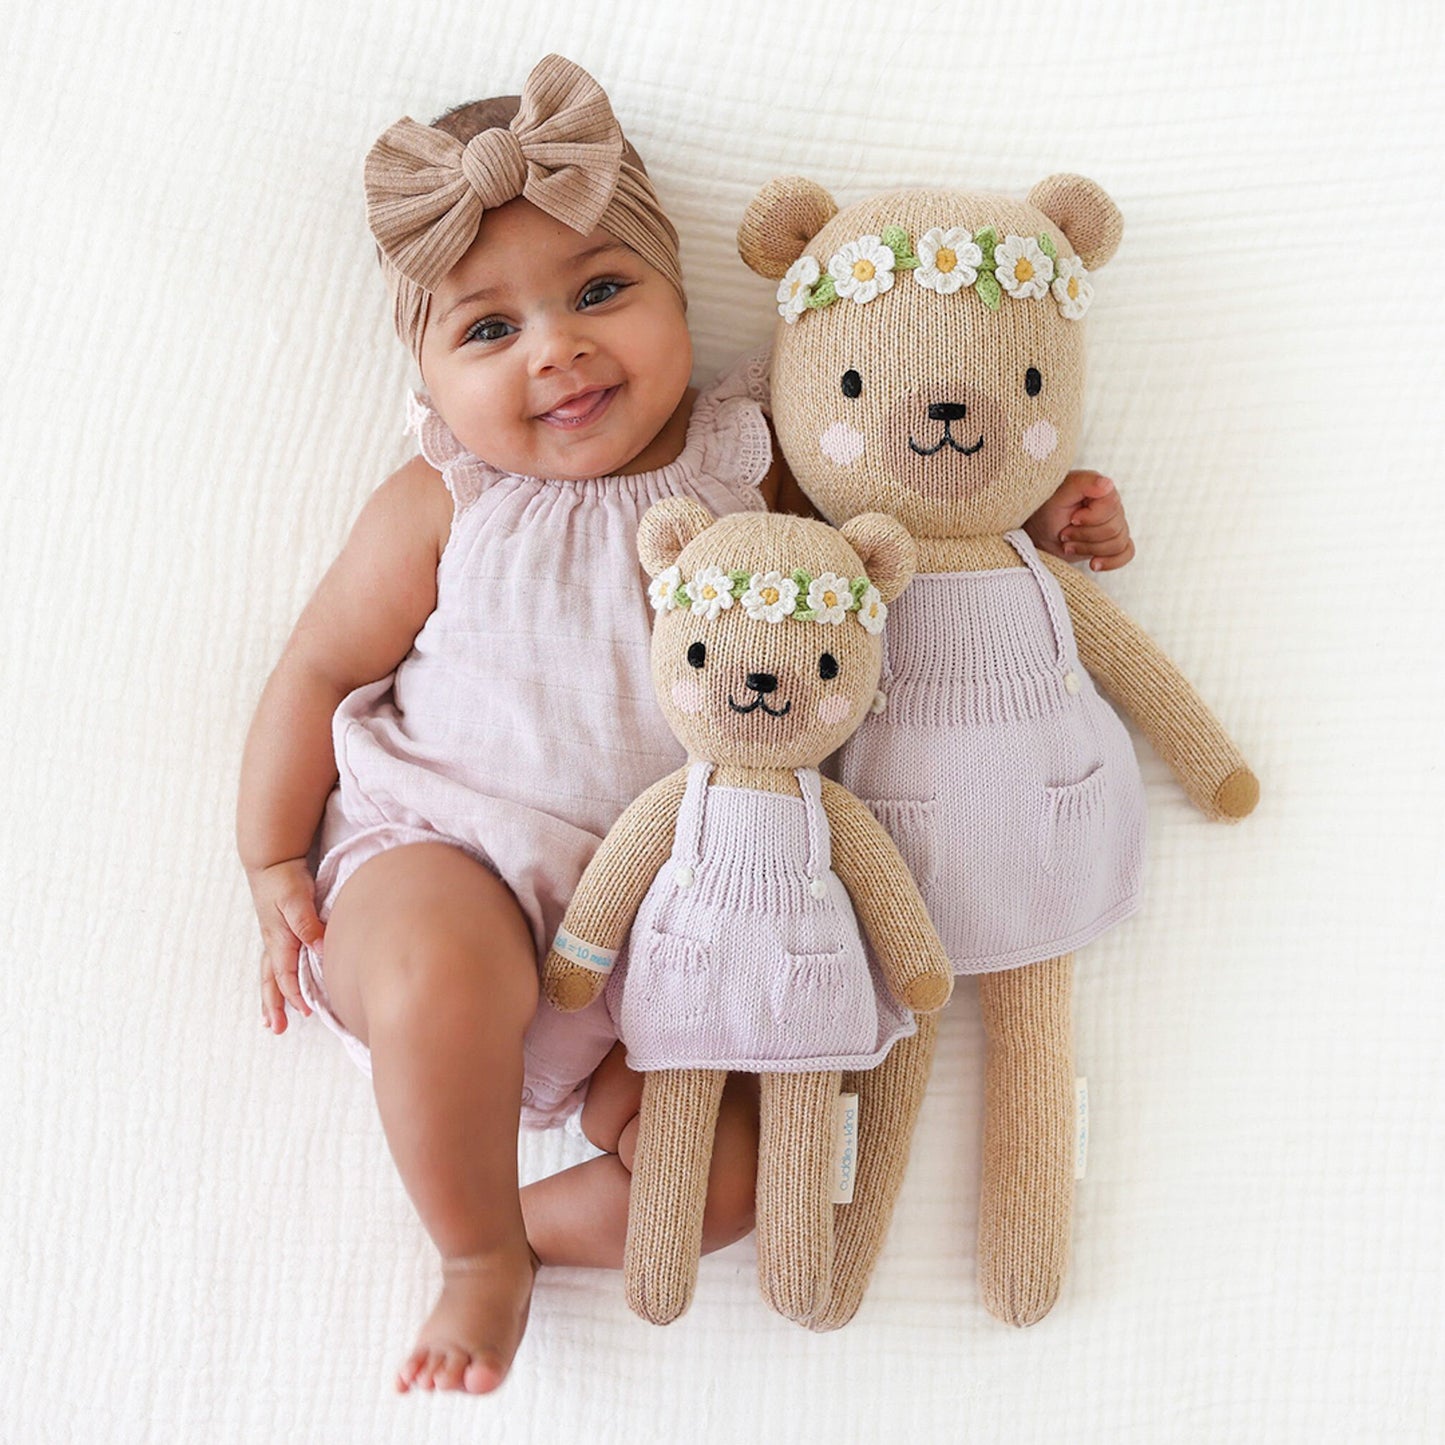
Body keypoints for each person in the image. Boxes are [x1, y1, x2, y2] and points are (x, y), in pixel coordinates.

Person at [236, 54, 1135, 1398]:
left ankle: (531, 1234)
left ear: (675, 295)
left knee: (734, 1178)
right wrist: (272, 864)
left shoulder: (752, 456)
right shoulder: (445, 495)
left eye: (601, 290)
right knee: (437, 968)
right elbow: (313, 670)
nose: (556, 347)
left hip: (685, 931)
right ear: (424, 371)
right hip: (444, 857)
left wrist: (1043, 514)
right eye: (488, 330)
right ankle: (475, 1252)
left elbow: (919, 506)